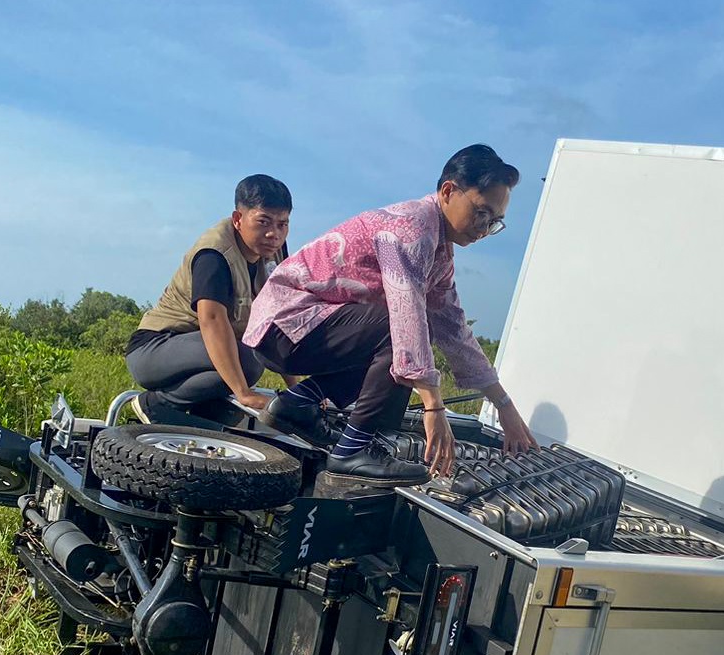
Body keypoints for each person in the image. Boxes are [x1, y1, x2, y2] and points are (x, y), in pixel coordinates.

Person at [243, 144, 538, 485]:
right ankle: (352, 450)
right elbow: (407, 312)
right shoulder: (411, 229)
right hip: (287, 323)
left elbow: (455, 329)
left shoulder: (439, 253)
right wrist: (433, 406)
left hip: (307, 329)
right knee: (400, 334)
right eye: (482, 213)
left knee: (402, 342)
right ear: (448, 191)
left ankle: (296, 404)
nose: (485, 228)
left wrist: (504, 407)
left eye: (496, 222)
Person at [125, 174, 292, 423]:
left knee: (246, 364)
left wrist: (296, 391)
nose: (274, 234)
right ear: (238, 219)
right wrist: (244, 394)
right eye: (264, 222)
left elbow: (276, 318)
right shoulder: (214, 255)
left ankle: (205, 422)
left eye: (282, 224)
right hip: (155, 349)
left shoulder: (274, 253)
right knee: (249, 361)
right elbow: (212, 321)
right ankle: (157, 404)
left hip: (203, 354)